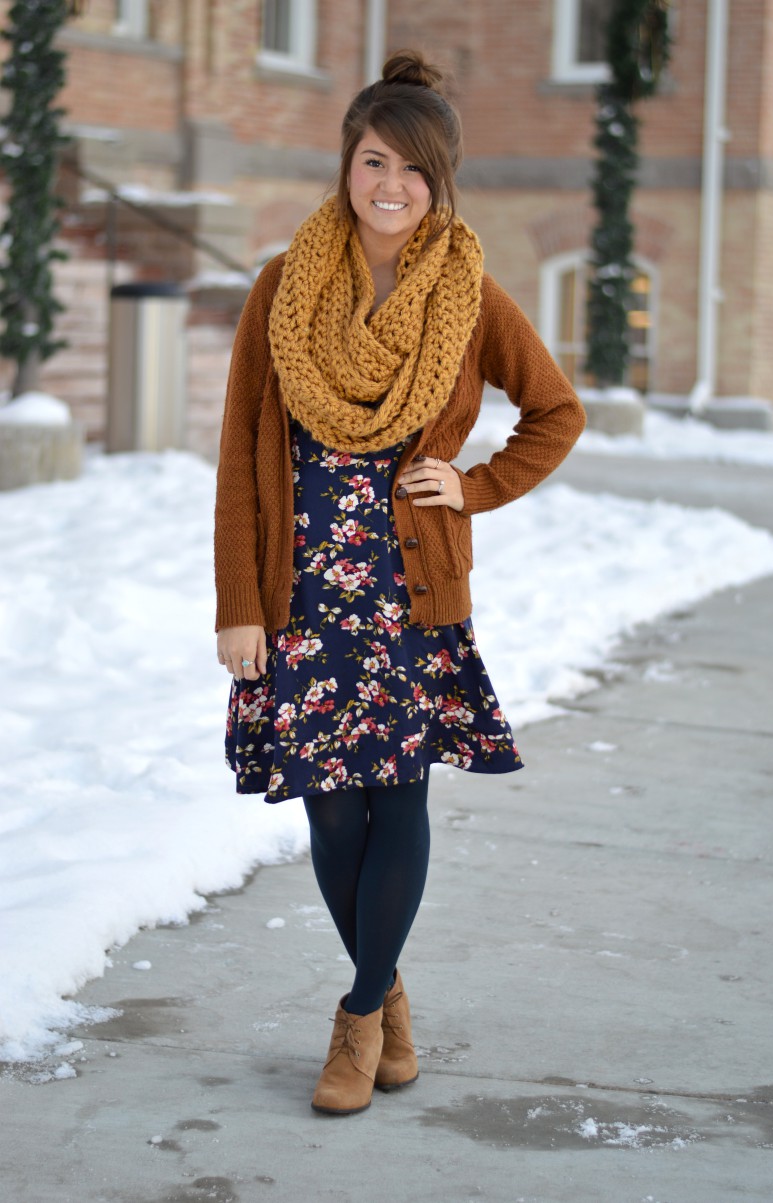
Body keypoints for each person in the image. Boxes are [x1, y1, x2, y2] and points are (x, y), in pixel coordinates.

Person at [214, 49, 585, 1117]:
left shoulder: (467, 294)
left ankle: (358, 1015)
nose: (390, 187)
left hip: (404, 587)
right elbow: (242, 454)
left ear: (440, 182)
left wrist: (469, 489)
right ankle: (388, 999)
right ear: (347, 162)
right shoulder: (283, 289)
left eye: (414, 172)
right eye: (375, 161)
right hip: (301, 591)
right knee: (330, 813)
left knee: (399, 796)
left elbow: (554, 413)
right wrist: (238, 603)